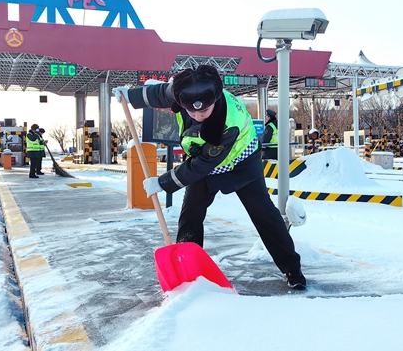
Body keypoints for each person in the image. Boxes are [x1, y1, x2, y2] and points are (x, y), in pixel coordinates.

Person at [113, 65, 306, 290]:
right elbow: (159, 93)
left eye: (203, 111)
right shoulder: (182, 90)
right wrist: (131, 95)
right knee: (190, 215)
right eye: (191, 111)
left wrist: (162, 182)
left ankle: (292, 269)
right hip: (203, 161)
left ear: (214, 98)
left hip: (241, 163)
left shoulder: (227, 124)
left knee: (264, 214)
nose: (197, 116)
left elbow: (201, 165)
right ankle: (188, 270)